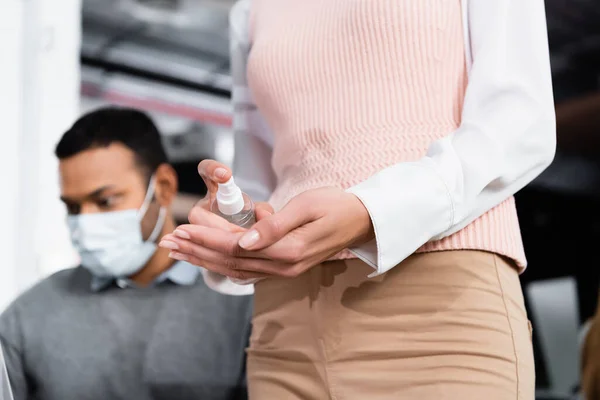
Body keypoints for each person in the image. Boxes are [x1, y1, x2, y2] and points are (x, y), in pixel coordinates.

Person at [160, 0, 556, 398]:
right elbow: (261, 179)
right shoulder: (248, 10)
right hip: (284, 325)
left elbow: (520, 123)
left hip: (436, 304)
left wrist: (371, 211)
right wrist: (238, 226)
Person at [0, 107, 252, 400]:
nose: (85, 221)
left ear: (164, 188)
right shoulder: (30, 316)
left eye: (105, 201)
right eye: (73, 207)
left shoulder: (240, 306)